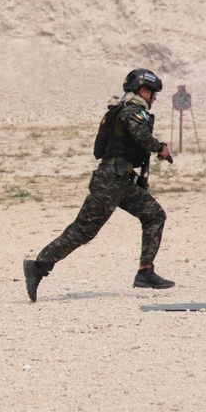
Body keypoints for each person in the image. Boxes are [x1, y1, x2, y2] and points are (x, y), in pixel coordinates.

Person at [23, 68, 174, 302]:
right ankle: (38, 265)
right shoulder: (131, 111)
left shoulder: (123, 110)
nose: (154, 99)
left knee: (154, 215)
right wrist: (160, 148)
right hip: (110, 182)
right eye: (152, 94)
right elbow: (142, 136)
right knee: (83, 230)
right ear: (143, 91)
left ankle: (146, 271)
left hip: (120, 181)